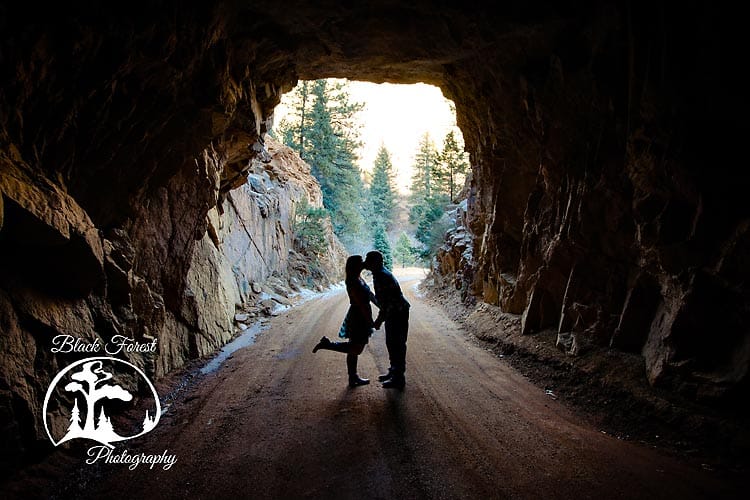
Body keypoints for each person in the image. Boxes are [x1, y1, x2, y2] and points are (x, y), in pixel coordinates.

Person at [312, 255, 377, 388]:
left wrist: (379, 305)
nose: (364, 263)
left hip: (359, 314)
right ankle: (328, 345)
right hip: (358, 316)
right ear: (355, 265)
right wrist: (370, 321)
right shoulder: (353, 281)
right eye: (361, 262)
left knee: (353, 348)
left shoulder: (358, 278)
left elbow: (369, 295)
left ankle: (353, 378)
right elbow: (360, 303)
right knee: (357, 348)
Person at [363, 250, 410, 390]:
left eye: (368, 260)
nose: (366, 263)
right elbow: (383, 301)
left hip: (397, 312)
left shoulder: (382, 276)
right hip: (396, 311)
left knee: (397, 344)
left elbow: (387, 303)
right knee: (392, 342)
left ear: (375, 262)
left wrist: (378, 320)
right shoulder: (380, 273)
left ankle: (398, 378)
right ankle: (394, 371)